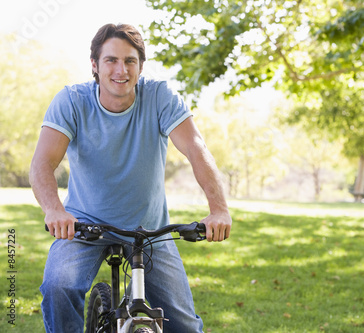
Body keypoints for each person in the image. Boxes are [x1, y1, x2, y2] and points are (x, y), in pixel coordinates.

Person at [29, 23, 232, 333]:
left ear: (140, 66)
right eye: (111, 60)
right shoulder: (71, 100)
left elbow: (195, 148)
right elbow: (42, 162)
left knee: (185, 326)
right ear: (95, 66)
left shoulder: (160, 96)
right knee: (59, 286)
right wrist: (54, 209)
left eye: (130, 61)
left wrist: (218, 208)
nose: (120, 70)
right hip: (85, 226)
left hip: (149, 229)